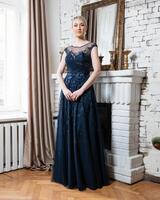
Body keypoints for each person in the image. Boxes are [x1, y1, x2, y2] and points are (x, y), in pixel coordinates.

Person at [51, 16, 109, 191]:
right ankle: (70, 173)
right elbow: (59, 72)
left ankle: (86, 175)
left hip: (83, 93)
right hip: (68, 94)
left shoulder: (92, 46)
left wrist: (81, 90)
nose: (78, 27)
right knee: (68, 131)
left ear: (86, 27)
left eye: (82, 24)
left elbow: (97, 70)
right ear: (72, 28)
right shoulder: (67, 49)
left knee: (84, 130)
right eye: (75, 25)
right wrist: (65, 90)